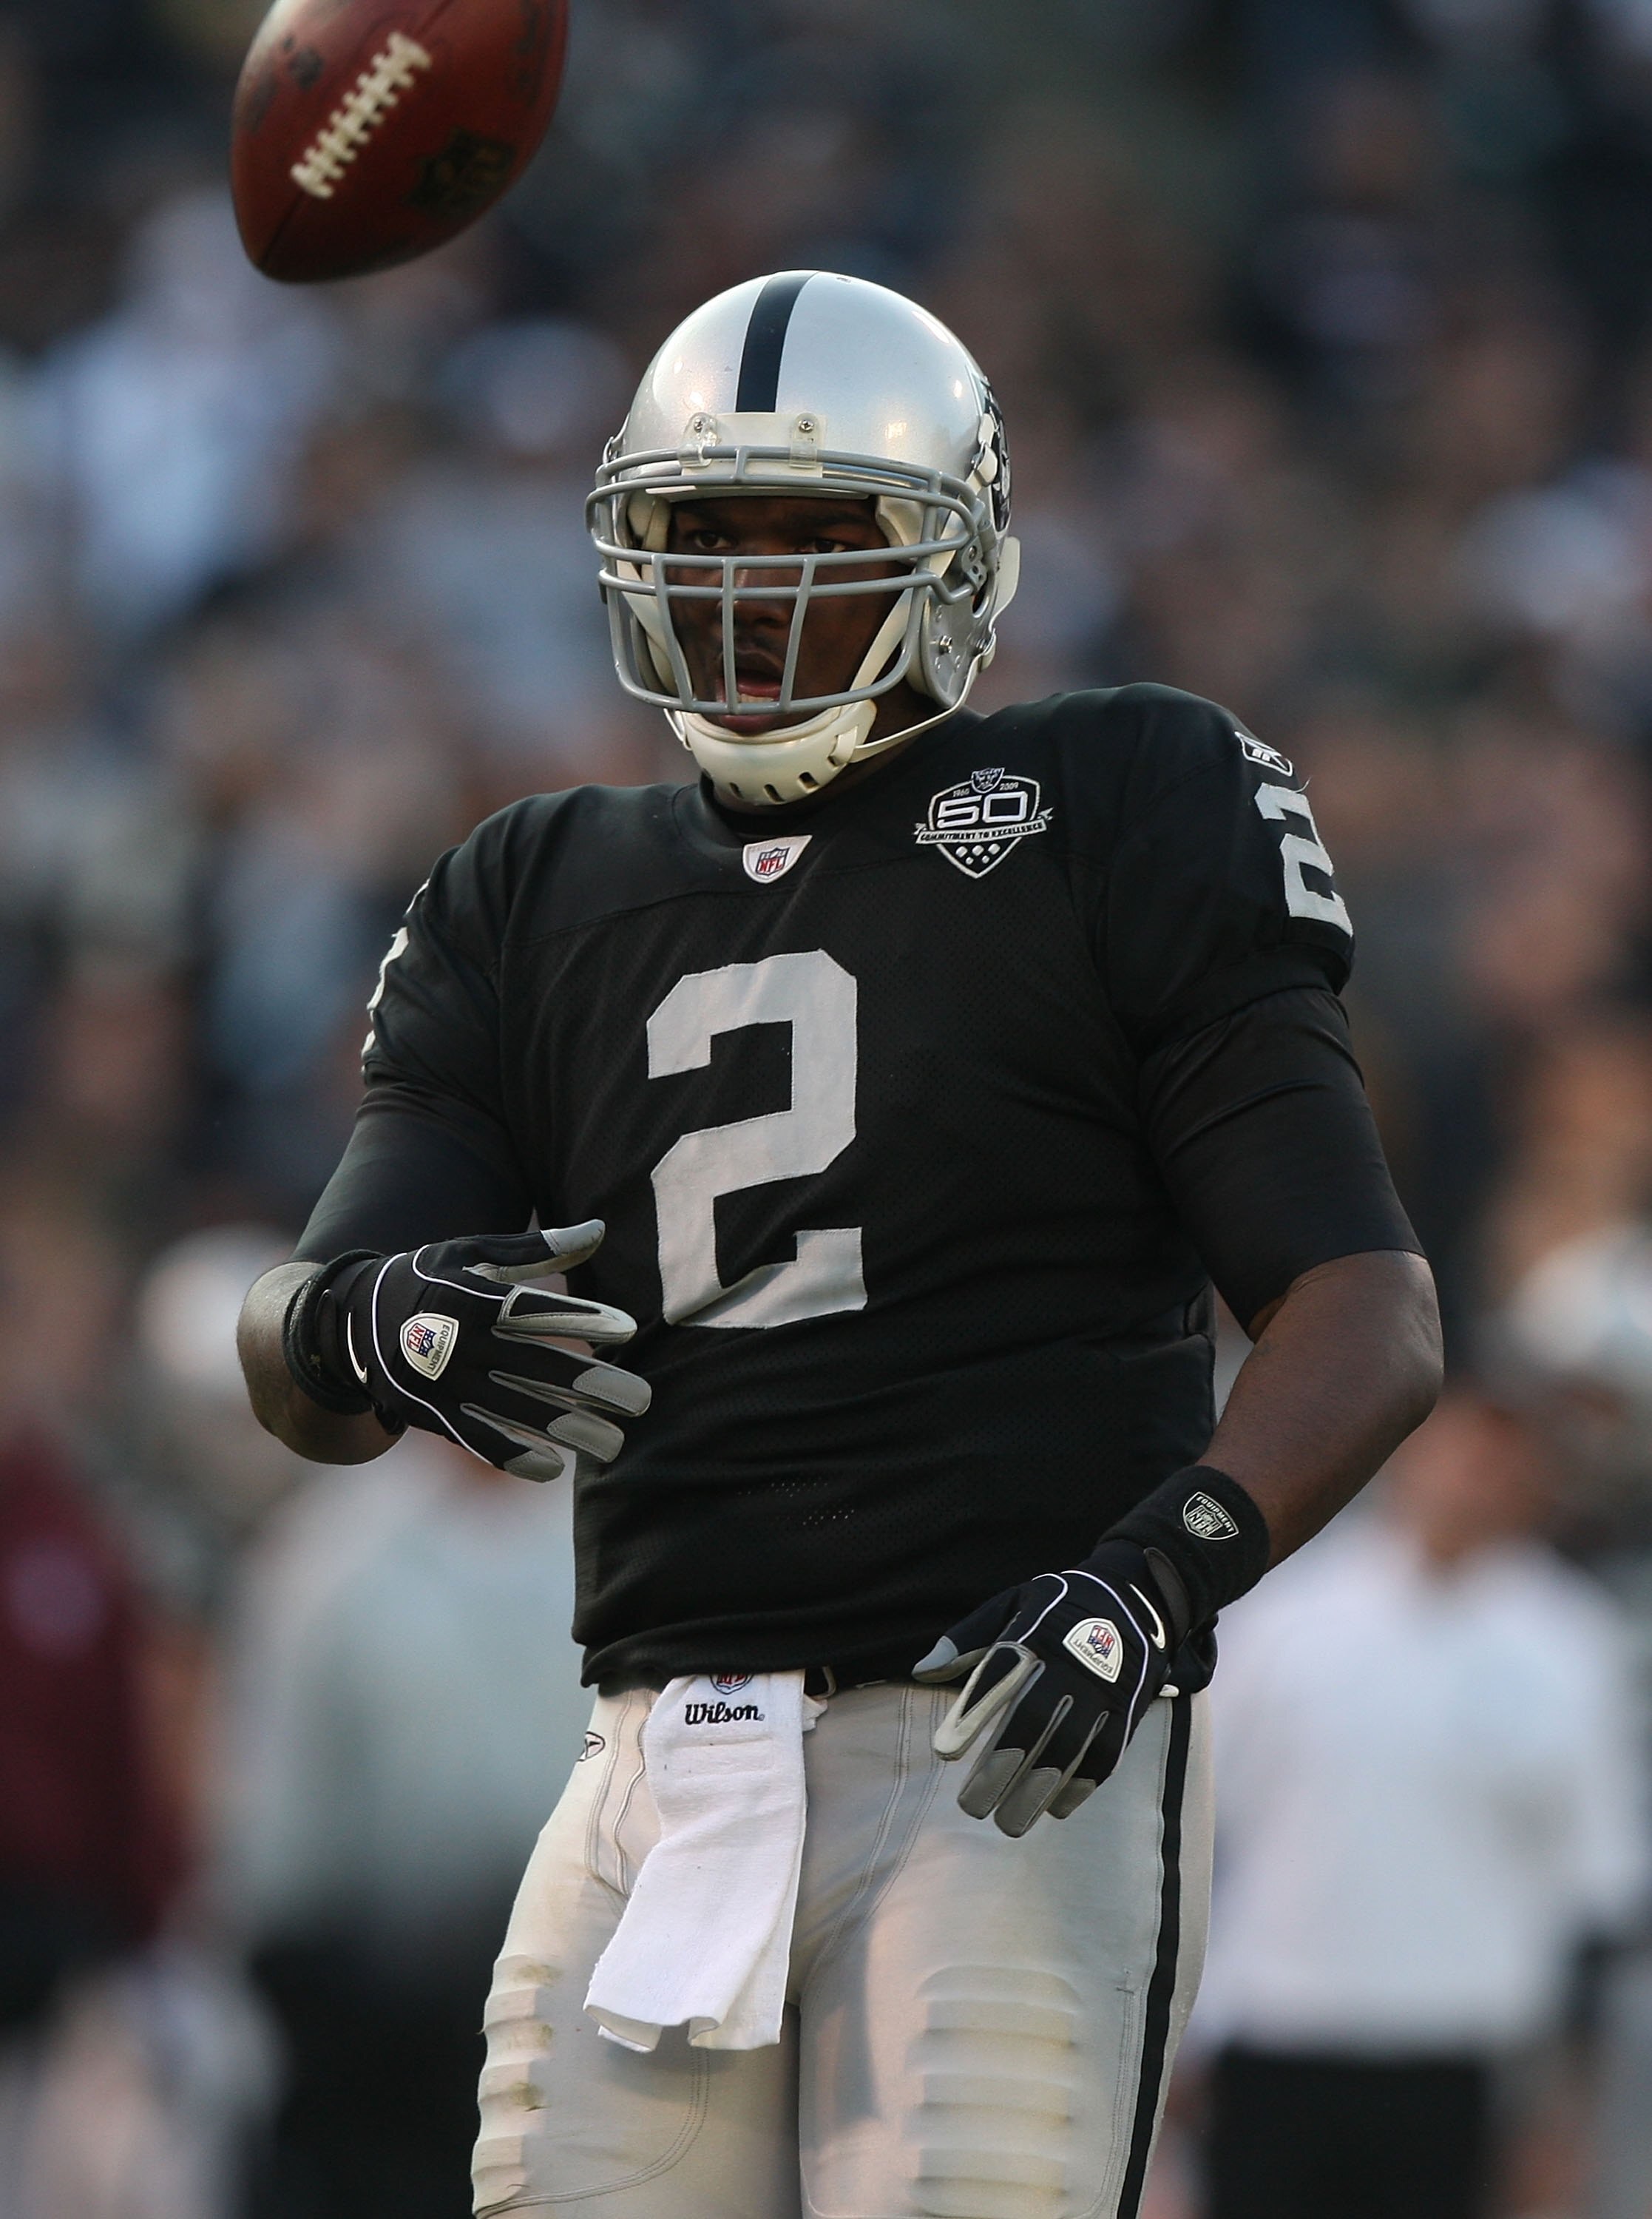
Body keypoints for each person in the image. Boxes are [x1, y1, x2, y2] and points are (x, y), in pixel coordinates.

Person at [237, 271, 1442, 2219]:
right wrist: (375, 1320)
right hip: (655, 1767)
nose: (753, 589)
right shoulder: (525, 886)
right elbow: (295, 1348)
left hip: (996, 1747)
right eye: (707, 534)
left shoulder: (1117, 795)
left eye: (819, 533)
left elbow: (1363, 1307)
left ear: (954, 556)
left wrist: (1153, 1582)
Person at [1189, 1386, 1645, 2219]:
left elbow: (1593, 1888)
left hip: (1456, 2049)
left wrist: (1563, 2111)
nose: (1470, 1481)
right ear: (1403, 1460)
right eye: (1455, 1454)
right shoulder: (1284, 1615)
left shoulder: (1567, 1643)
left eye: (1498, 1462)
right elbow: (1200, 1830)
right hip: (1277, 2029)